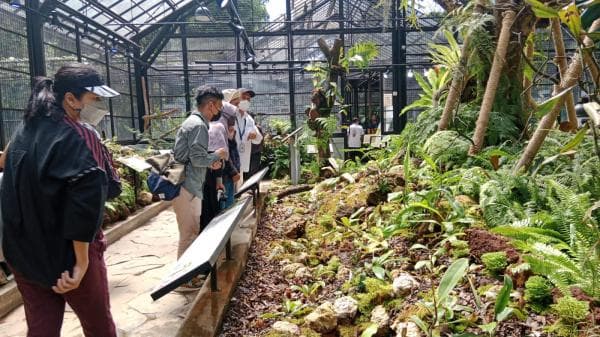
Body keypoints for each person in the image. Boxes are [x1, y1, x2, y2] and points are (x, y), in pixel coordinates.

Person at [1, 63, 120, 337]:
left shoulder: (25, 128)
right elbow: (90, 193)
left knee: (41, 327)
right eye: (95, 99)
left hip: (24, 251)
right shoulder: (80, 134)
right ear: (70, 99)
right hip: (68, 253)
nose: (100, 105)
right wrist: (81, 262)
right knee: (98, 325)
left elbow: (6, 162)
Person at [172, 85, 227, 290]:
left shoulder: (194, 122)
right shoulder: (199, 125)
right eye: (218, 106)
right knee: (188, 233)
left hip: (190, 186)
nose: (218, 111)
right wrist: (218, 155)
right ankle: (182, 279)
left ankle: (188, 275)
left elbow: (194, 157)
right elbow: (196, 158)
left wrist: (209, 160)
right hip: (187, 187)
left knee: (191, 232)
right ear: (210, 104)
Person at [230, 88, 263, 183]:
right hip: (231, 159)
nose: (246, 101)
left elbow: (258, 139)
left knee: (239, 188)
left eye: (248, 99)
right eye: (243, 98)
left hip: (243, 158)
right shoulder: (230, 116)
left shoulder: (248, 118)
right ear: (236, 99)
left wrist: (255, 135)